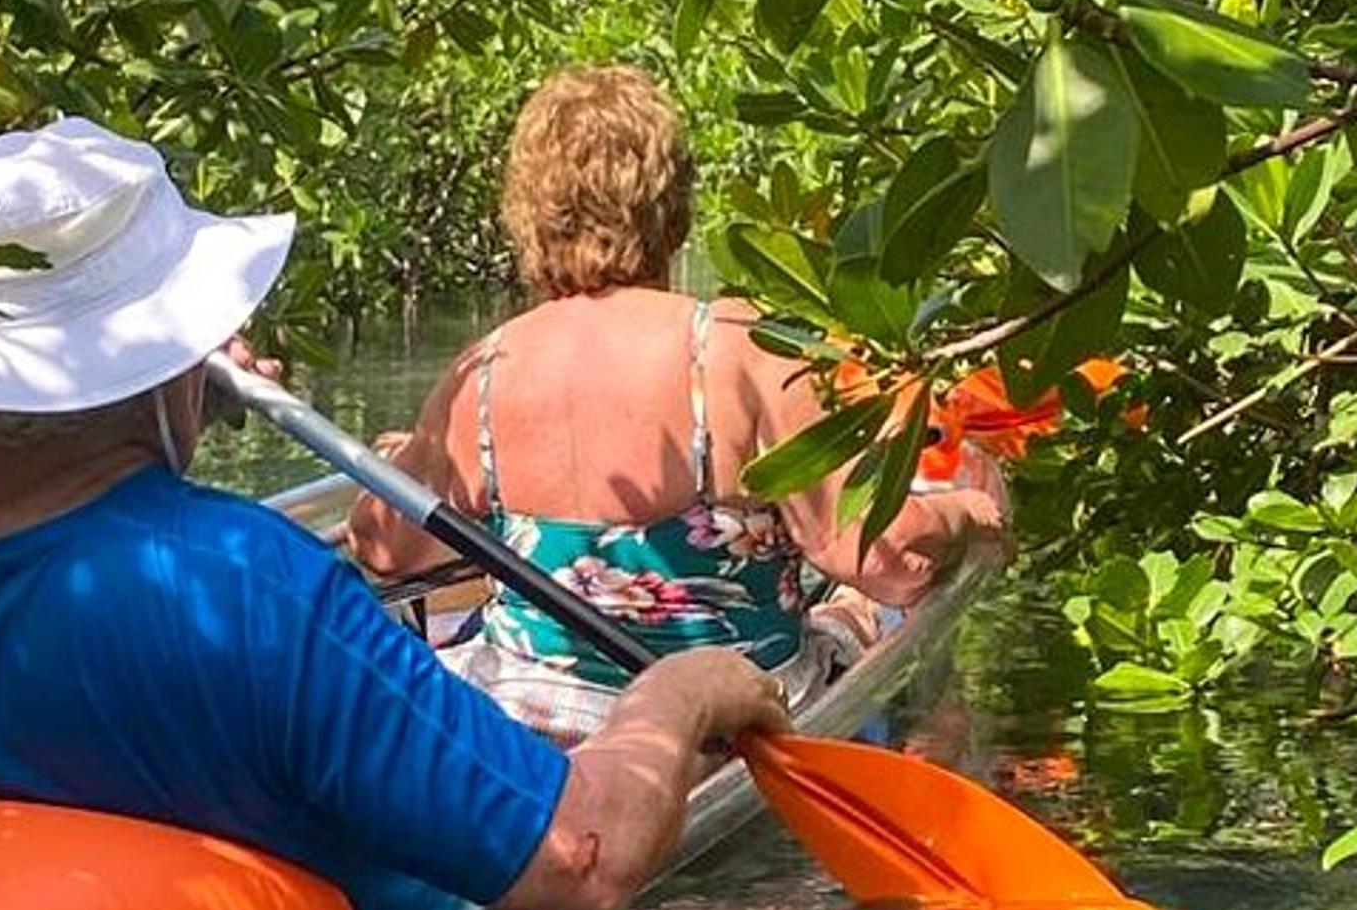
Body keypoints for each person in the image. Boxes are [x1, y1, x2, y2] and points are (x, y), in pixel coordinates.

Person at [0, 115, 786, 910]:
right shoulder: (245, 587)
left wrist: (172, 393)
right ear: (165, 352)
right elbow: (583, 861)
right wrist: (678, 691)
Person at [347, 66, 1008, 745]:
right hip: (727, 723)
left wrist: (411, 459)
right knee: (862, 610)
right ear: (674, 207)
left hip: (532, 727)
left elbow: (384, 549)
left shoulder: (484, 371)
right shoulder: (737, 348)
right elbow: (884, 562)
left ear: (527, 214)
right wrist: (965, 512)